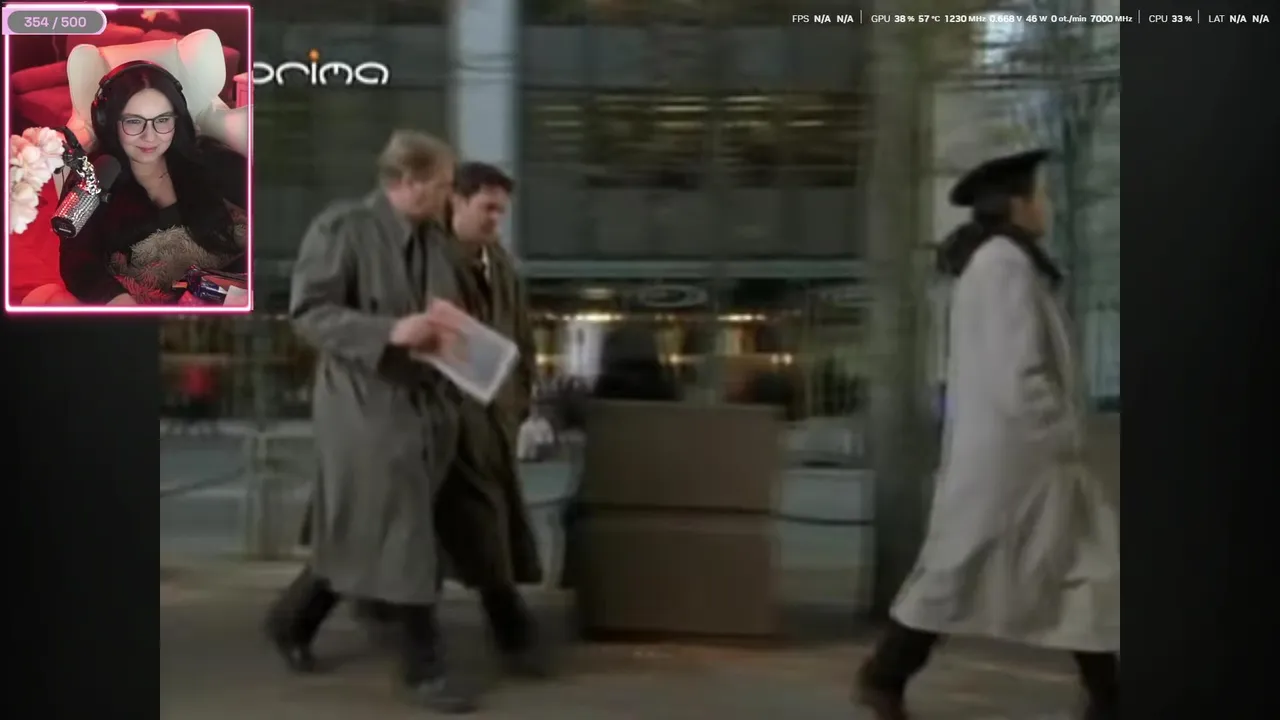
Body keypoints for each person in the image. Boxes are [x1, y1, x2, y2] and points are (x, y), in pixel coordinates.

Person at [853, 149, 1120, 720]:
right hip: (1019, 455)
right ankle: (884, 674)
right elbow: (1017, 368)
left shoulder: (1006, 263)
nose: (1047, 205)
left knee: (1084, 569)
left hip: (1024, 455)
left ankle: (1110, 697)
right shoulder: (1003, 265)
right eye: (1040, 195)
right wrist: (1060, 431)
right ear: (1016, 204)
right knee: (967, 567)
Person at [263, 130, 479, 713]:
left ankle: (292, 620)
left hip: (423, 401)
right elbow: (309, 313)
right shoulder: (343, 229)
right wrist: (388, 331)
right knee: (405, 527)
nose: (449, 195)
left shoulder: (435, 241)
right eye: (442, 185)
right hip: (363, 402)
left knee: (371, 524)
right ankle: (423, 668)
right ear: (408, 182)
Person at [432, 161, 548, 676]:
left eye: (502, 210)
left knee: (478, 525)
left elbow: (520, 336)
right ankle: (511, 633)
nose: (496, 219)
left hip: (488, 420)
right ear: (456, 201)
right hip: (440, 421)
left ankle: (510, 632)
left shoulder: (500, 263)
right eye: (488, 207)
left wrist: (520, 399)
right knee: (385, 531)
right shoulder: (429, 260)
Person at [57, 61, 246, 305]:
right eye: (134, 121)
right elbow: (77, 261)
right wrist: (120, 302)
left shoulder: (209, 159)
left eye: (163, 119)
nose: (150, 136)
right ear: (108, 121)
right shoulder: (94, 176)